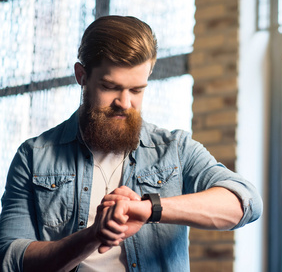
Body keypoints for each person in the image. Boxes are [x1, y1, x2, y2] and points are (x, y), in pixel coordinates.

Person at [0, 15, 262, 272]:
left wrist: (149, 208)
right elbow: (10, 259)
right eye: (110, 87)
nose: (125, 103)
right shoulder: (33, 156)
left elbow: (246, 202)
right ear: (81, 75)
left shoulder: (175, 150)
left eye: (137, 90)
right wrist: (92, 236)